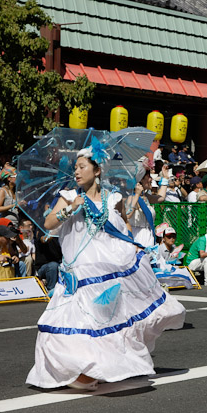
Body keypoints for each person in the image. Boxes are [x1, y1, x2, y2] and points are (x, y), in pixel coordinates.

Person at [26, 141, 185, 391]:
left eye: (81, 167)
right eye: (75, 168)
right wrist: (70, 209)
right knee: (72, 322)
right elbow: (48, 223)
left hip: (108, 270)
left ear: (97, 170)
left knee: (105, 323)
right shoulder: (68, 196)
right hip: (80, 272)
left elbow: (123, 227)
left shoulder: (114, 198)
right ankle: (80, 369)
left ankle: (102, 368)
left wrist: (130, 246)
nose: (76, 172)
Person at [126, 163, 168, 248]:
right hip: (137, 237)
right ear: (140, 180)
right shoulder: (131, 196)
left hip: (148, 236)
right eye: (149, 177)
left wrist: (165, 178)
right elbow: (128, 215)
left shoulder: (146, 196)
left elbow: (161, 198)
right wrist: (137, 195)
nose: (151, 179)